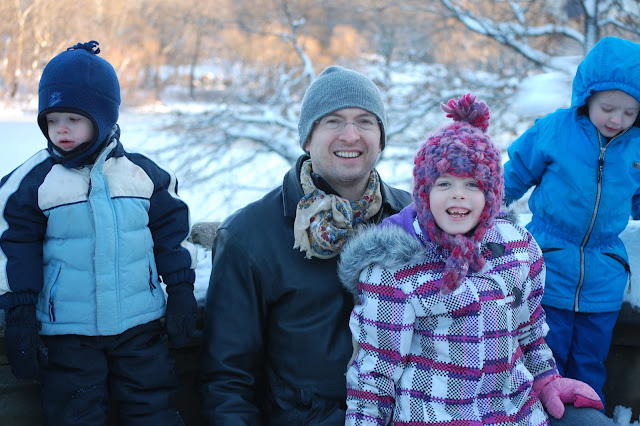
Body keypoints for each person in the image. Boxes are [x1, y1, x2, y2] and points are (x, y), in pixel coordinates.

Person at [338, 94, 612, 425]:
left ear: (491, 195)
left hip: (515, 415)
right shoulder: (395, 272)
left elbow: (529, 333)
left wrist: (546, 380)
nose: (458, 194)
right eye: (444, 183)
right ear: (424, 194)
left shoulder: (516, 249)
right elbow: (374, 378)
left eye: (472, 184)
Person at [200, 65, 412, 425]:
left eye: (364, 121)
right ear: (307, 139)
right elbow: (228, 381)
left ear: (380, 139)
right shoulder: (249, 236)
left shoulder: (415, 222)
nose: (350, 135)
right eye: (332, 121)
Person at [0, 41, 198, 425]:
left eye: (73, 118)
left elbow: (172, 234)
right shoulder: (34, 182)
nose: (61, 128)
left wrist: (181, 289)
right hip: (68, 332)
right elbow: (13, 243)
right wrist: (19, 311)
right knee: (75, 413)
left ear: (103, 116)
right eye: (52, 119)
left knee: (152, 408)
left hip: (139, 326)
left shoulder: (143, 176)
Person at [503, 36, 640, 407]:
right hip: (548, 266)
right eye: (608, 108)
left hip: (605, 276)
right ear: (587, 97)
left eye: (630, 113)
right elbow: (512, 177)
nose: (617, 120)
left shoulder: (637, 146)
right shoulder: (554, 131)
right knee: (545, 361)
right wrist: (484, 213)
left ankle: (587, 414)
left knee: (590, 363)